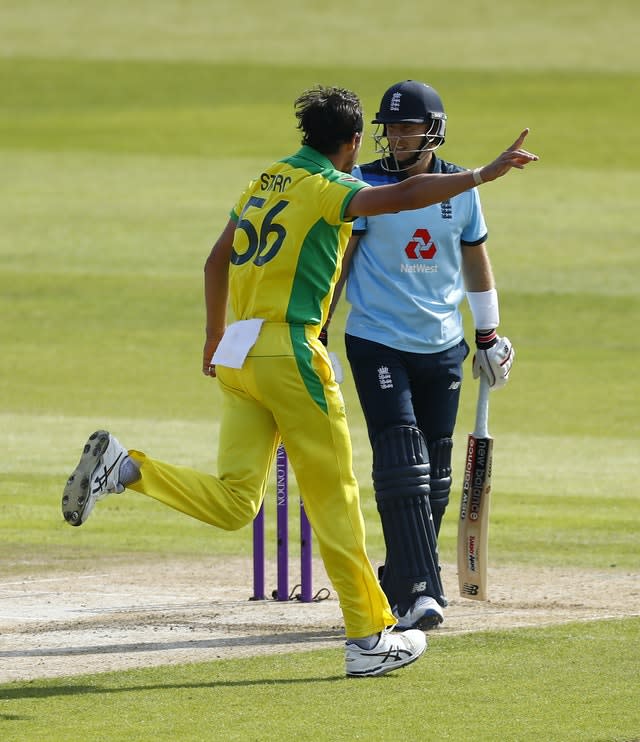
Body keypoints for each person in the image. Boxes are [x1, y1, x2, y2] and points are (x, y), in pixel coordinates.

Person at [61, 85, 536, 677]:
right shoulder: (330, 188)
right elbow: (407, 194)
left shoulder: (265, 179)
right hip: (290, 352)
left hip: (238, 352)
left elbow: (215, 262)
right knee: (337, 502)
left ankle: (126, 466)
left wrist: (213, 336)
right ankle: (369, 638)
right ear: (355, 140)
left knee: (239, 501)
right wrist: (480, 176)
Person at [325, 80, 517, 632]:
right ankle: (418, 591)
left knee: (434, 473)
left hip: (442, 344)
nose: (398, 136)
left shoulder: (461, 188)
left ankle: (403, 578)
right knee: (403, 461)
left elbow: (476, 258)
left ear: (433, 130)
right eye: (390, 127)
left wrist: (487, 335)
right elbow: (341, 263)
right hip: (378, 338)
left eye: (409, 126)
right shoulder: (362, 184)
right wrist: (318, 333)